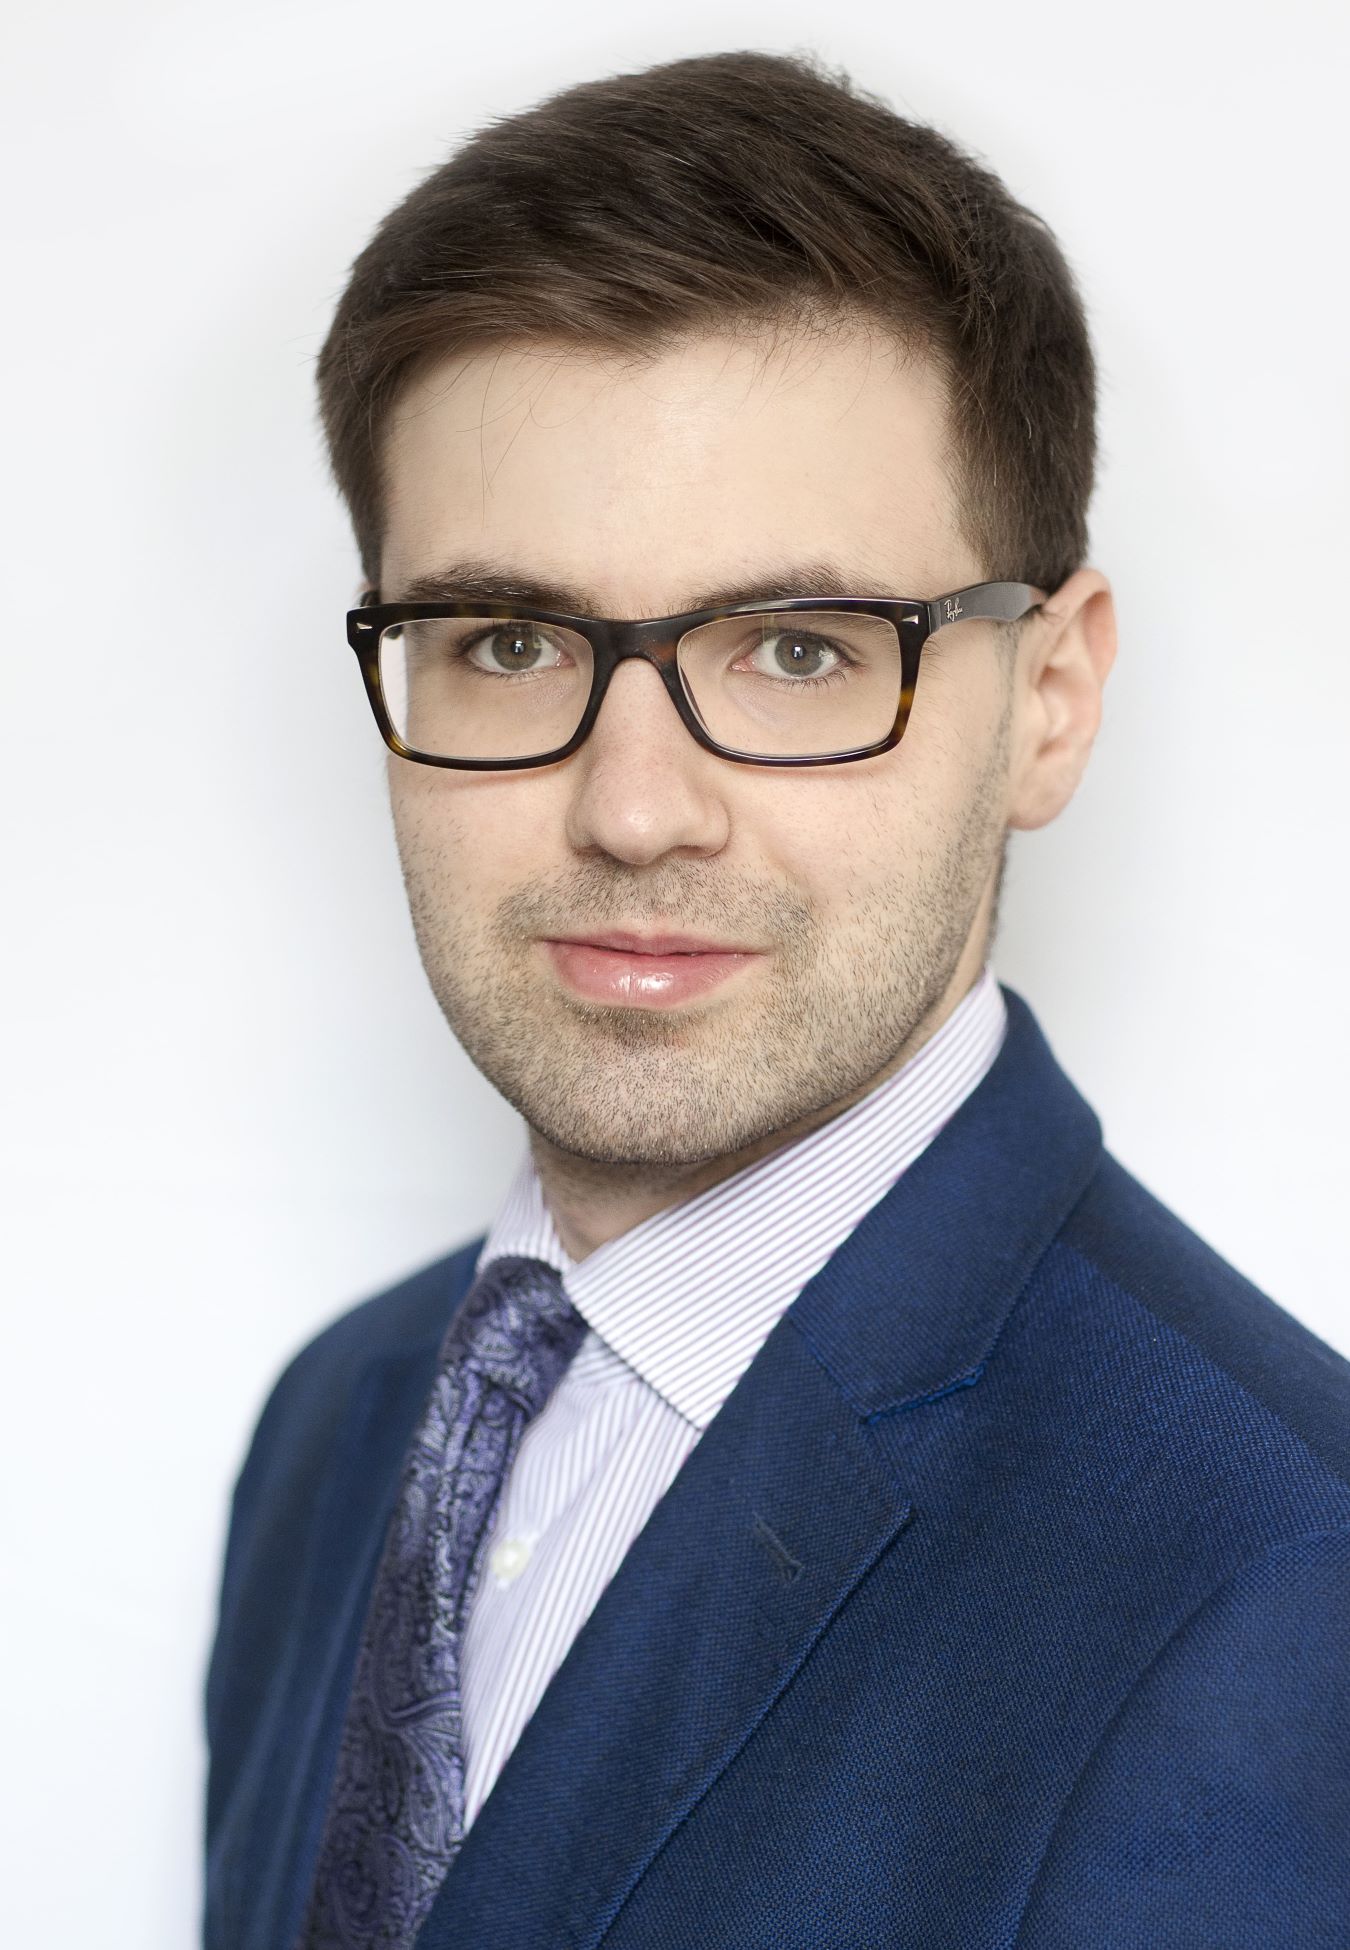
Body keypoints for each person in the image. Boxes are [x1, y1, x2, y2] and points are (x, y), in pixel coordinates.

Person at [203, 47, 1350, 1950]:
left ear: (1048, 700)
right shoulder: (340, 1423)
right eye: (507, 639)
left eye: (799, 650)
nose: (634, 808)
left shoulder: (1279, 1581)